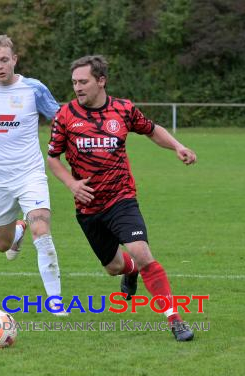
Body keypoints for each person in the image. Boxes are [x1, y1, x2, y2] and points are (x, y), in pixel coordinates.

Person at [47, 55, 197, 340]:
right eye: (74, 82)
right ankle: (131, 271)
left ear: (101, 81)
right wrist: (71, 183)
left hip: (121, 198)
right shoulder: (65, 115)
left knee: (142, 253)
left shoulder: (123, 110)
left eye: (83, 81)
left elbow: (152, 131)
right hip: (88, 206)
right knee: (114, 267)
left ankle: (175, 321)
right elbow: (53, 157)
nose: (77, 87)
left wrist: (178, 146)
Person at [0, 35, 67, 316]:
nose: (0, 65)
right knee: (2, 245)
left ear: (14, 59)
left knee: (42, 230)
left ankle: (55, 301)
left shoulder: (33, 89)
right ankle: (17, 230)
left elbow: (60, 119)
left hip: (30, 174)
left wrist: (61, 148)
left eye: (4, 60)